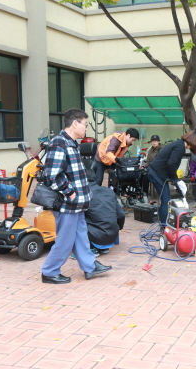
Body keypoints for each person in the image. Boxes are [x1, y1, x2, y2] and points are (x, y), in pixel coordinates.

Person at [41, 108, 112, 284]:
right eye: (85, 124)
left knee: (81, 235)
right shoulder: (59, 143)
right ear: (75, 123)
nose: (86, 129)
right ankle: (49, 271)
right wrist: (70, 193)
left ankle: (90, 267)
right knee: (65, 240)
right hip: (67, 203)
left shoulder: (70, 143)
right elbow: (52, 175)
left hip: (76, 204)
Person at [147, 131, 196, 227]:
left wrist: (174, 179)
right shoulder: (180, 147)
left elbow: (171, 163)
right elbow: (171, 163)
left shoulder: (179, 144)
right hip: (156, 173)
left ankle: (163, 223)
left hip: (156, 172)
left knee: (165, 199)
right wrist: (175, 179)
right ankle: (164, 225)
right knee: (166, 199)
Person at [84, 168, 125, 255]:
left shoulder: (84, 194)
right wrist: (117, 229)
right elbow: (121, 214)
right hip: (112, 235)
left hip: (95, 236)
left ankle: (90, 249)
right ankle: (102, 248)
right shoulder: (109, 191)